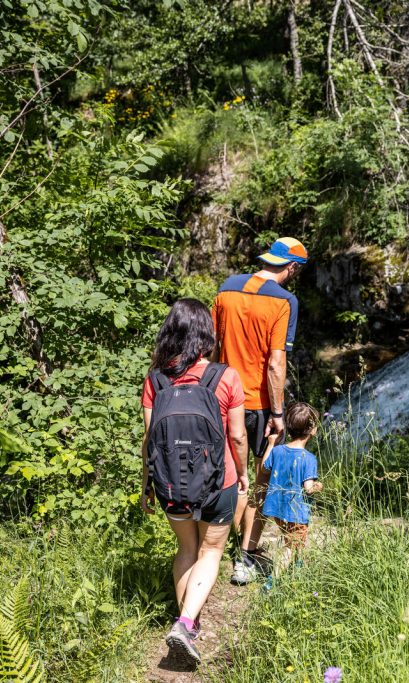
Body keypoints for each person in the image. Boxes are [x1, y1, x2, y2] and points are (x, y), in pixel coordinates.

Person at [140, 299, 249, 664]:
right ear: (206, 333)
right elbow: (237, 437)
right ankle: (186, 623)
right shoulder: (225, 376)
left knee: (186, 550)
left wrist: (146, 484)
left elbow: (149, 438)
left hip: (170, 483)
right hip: (220, 481)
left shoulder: (155, 379)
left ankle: (189, 624)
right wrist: (244, 473)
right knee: (211, 551)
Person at [211, 236, 308, 585]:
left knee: (228, 476)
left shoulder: (226, 289)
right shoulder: (285, 301)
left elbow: (214, 344)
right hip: (257, 402)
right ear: (292, 267)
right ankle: (246, 558)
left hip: (219, 393)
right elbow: (275, 362)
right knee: (260, 481)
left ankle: (216, 549)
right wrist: (279, 413)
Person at [259, 402, 323, 574]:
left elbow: (264, 468)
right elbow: (308, 488)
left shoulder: (278, 451)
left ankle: (298, 565)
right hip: (297, 511)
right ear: (313, 430)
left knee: (293, 539)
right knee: (291, 545)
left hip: (277, 508)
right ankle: (272, 581)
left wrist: (271, 444)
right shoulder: (308, 458)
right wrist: (319, 486)